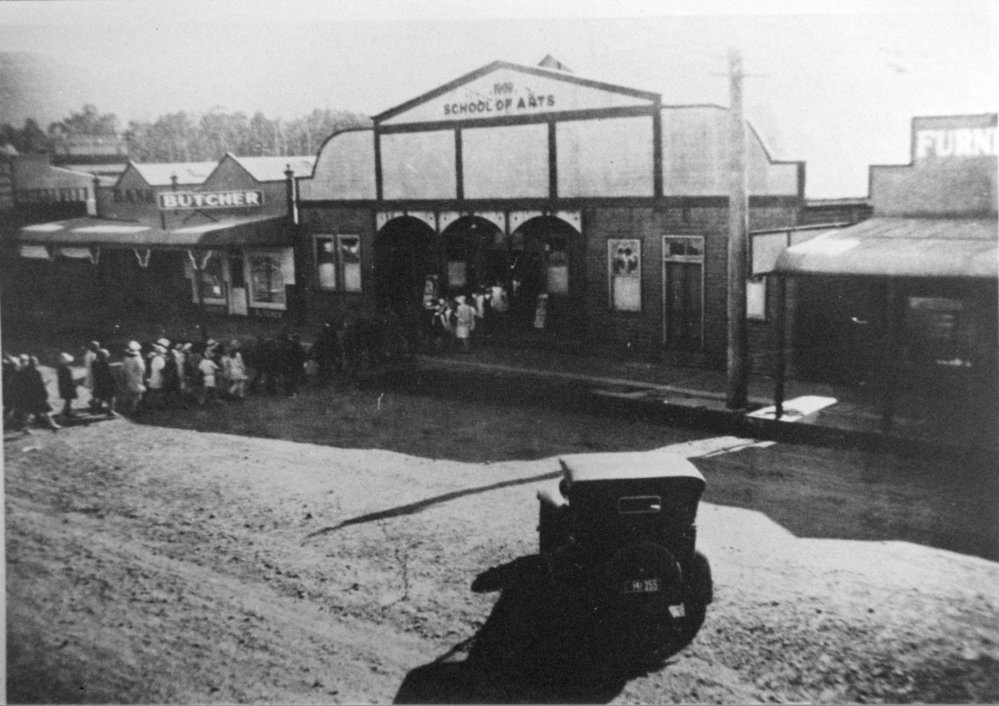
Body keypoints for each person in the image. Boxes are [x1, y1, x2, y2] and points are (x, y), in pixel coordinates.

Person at [12, 355, 60, 432]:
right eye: (36, 361)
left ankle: (28, 428)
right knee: (44, 411)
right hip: (37, 396)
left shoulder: (23, 372)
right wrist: (44, 394)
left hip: (29, 396)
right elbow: (40, 385)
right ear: (33, 363)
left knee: (28, 412)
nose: (37, 363)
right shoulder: (36, 372)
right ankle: (52, 424)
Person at [121, 341, 146, 416]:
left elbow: (123, 370)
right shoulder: (138, 359)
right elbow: (142, 369)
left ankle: (124, 408)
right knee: (136, 395)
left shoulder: (126, 359)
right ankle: (133, 410)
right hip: (136, 379)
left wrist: (124, 378)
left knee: (129, 393)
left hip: (128, 378)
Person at [90, 348, 118, 416]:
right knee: (111, 397)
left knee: (100, 396)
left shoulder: (94, 363)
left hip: (98, 382)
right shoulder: (105, 364)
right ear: (105, 356)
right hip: (107, 383)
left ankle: (97, 409)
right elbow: (110, 375)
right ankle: (110, 410)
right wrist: (114, 383)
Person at [56, 352, 80, 420]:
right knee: (68, 399)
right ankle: (66, 412)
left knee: (68, 399)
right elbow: (69, 379)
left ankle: (67, 411)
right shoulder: (66, 369)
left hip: (63, 385)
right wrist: (74, 384)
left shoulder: (60, 367)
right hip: (68, 386)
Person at [82, 341, 100, 413]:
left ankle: (93, 402)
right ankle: (94, 405)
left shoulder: (88, 354)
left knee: (93, 389)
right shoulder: (92, 355)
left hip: (89, 373)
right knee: (95, 389)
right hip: (92, 374)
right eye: (97, 347)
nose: (98, 348)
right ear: (93, 347)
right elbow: (94, 365)